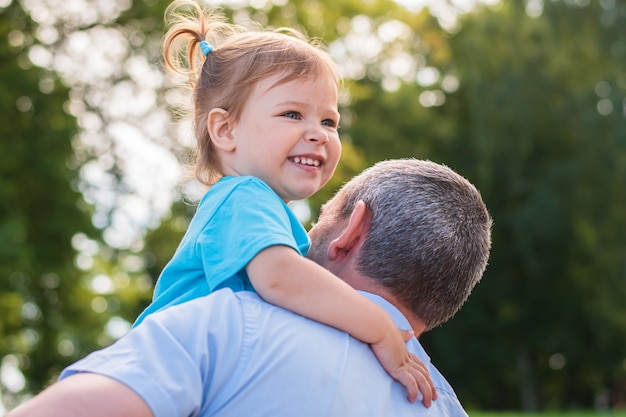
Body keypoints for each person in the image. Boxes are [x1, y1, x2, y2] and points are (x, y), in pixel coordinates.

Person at [7, 158, 493, 417]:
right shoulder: (443, 408)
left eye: (323, 217)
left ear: (351, 232)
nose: (302, 237)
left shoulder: (231, 324)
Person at [130, 0, 432, 402]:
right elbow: (279, 279)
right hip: (154, 382)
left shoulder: (266, 214)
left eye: (328, 121)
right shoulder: (242, 197)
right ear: (225, 130)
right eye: (292, 114)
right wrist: (377, 326)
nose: (318, 133)